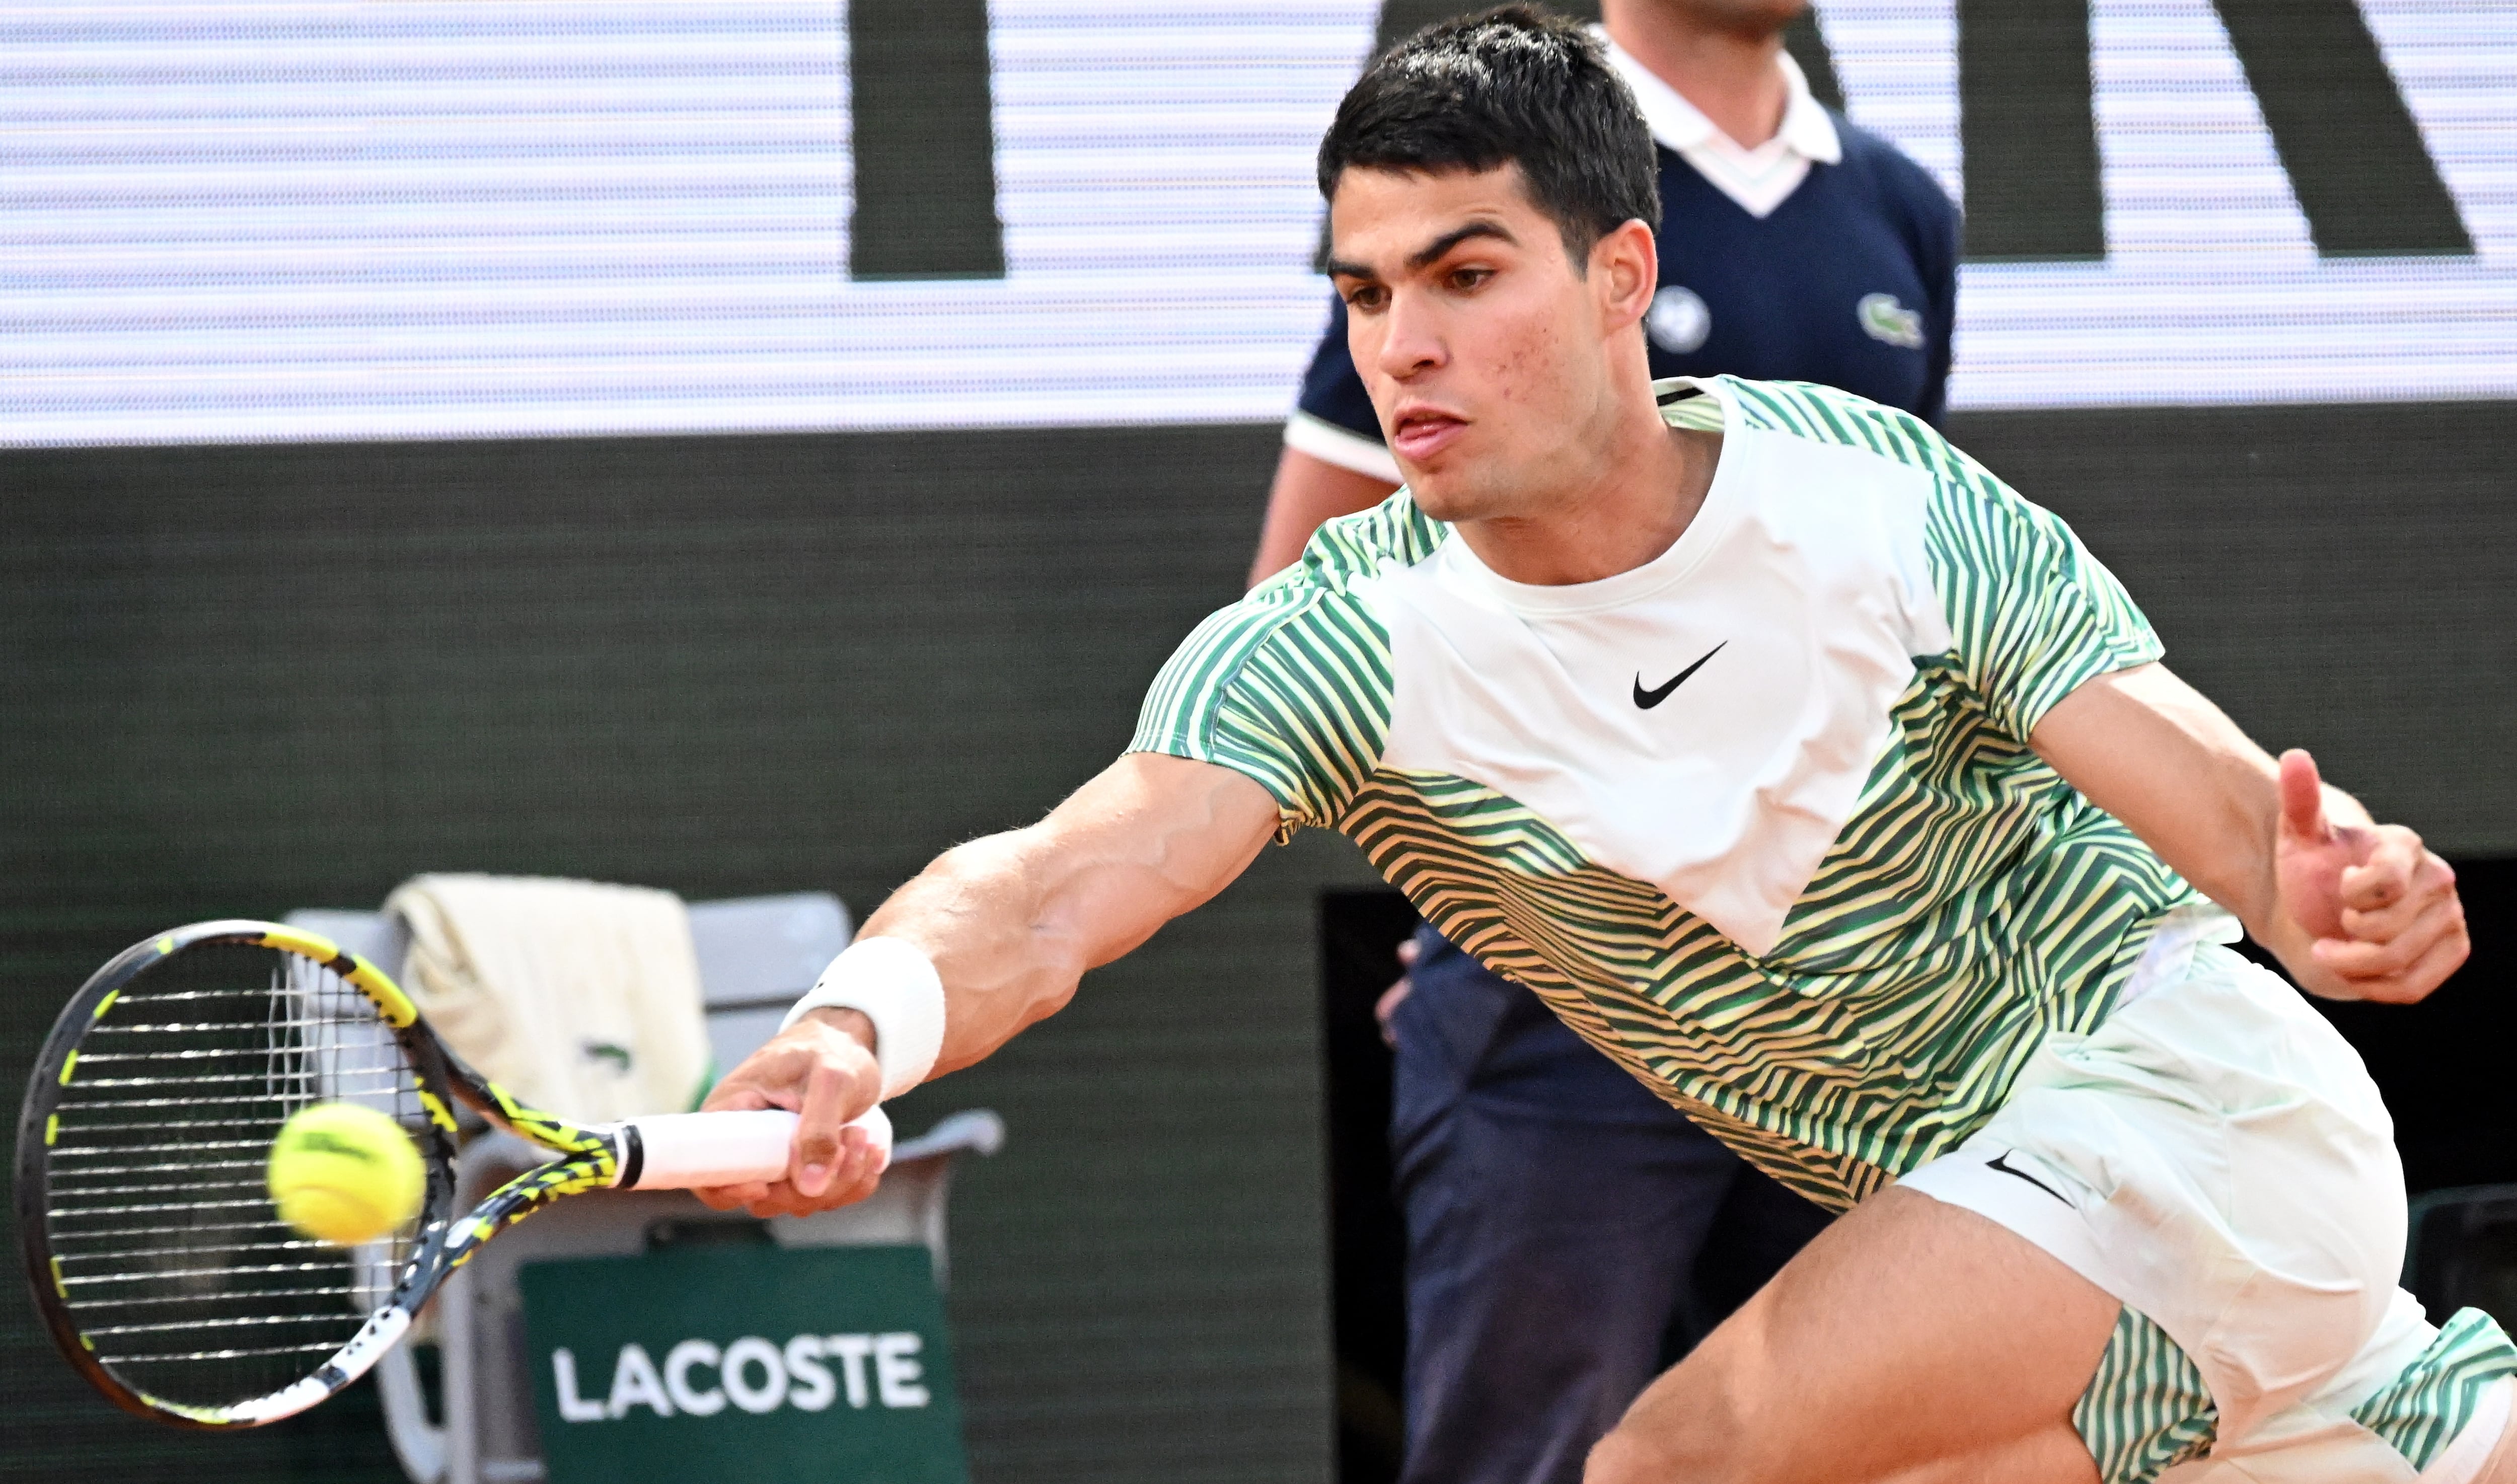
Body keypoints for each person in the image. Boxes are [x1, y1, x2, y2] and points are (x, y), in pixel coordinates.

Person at [702, 11, 2512, 1480]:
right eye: (1365, 292)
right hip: (2075, 1256)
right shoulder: (1346, 643)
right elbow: (1045, 888)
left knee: (1671, 1465)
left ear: (1619, 272)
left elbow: (2219, 807)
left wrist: (2331, 887)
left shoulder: (1870, 503)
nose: (1404, 346)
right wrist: (855, 1025)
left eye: (1467, 276)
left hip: (2190, 1115)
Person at [1256, 2, 1962, 1474]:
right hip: (1564, 1010)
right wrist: (1488, 889)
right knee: (1530, 1452)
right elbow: (1304, 627)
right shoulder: (1485, 182)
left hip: (1855, 996)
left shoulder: (1901, 207)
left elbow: (1907, 597)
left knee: (1885, 1437)